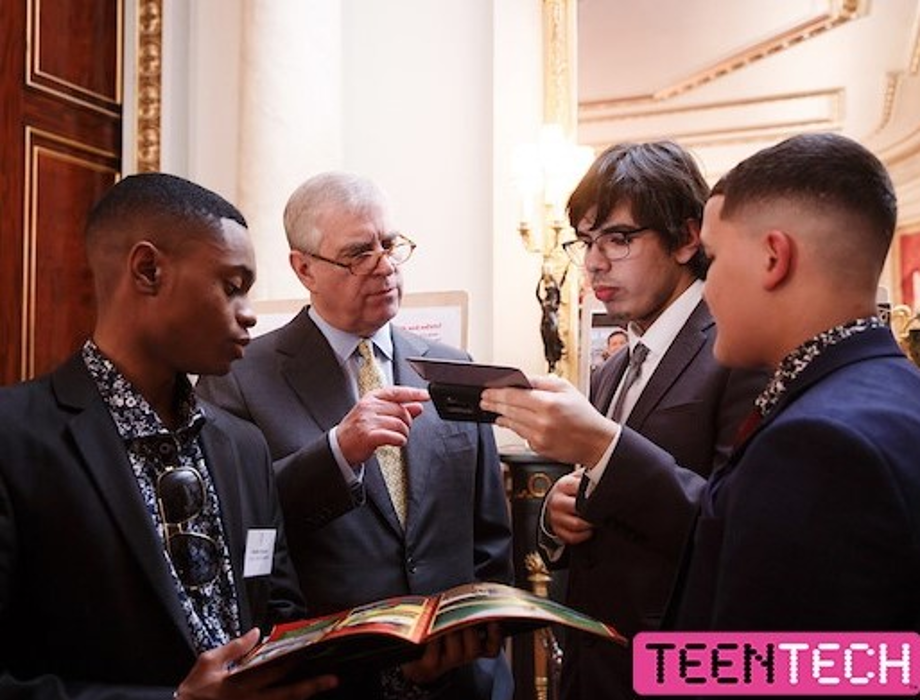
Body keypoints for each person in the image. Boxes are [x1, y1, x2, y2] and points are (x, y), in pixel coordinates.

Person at [0, 173, 500, 700]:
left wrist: (405, 675)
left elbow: (282, 626)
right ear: (148, 271)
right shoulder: (16, 438)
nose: (249, 313)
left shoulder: (238, 447)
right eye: (232, 287)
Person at [196, 171, 514, 699]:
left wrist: (482, 642)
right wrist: (337, 454)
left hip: (464, 678)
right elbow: (237, 528)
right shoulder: (240, 377)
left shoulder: (453, 369)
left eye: (390, 245)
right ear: (304, 269)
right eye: (358, 253)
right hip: (335, 682)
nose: (384, 266)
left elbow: (491, 538)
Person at [480, 141, 767, 700]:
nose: (593, 262)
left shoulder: (737, 349)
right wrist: (559, 514)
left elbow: (737, 530)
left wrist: (603, 448)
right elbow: (605, 502)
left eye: (618, 238)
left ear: (687, 239)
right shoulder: (613, 368)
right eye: (586, 242)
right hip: (598, 664)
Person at [672, 132, 920, 630]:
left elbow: (777, 669)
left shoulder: (818, 445)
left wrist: (649, 672)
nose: (707, 286)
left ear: (773, 257)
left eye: (714, 259)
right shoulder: (897, 389)